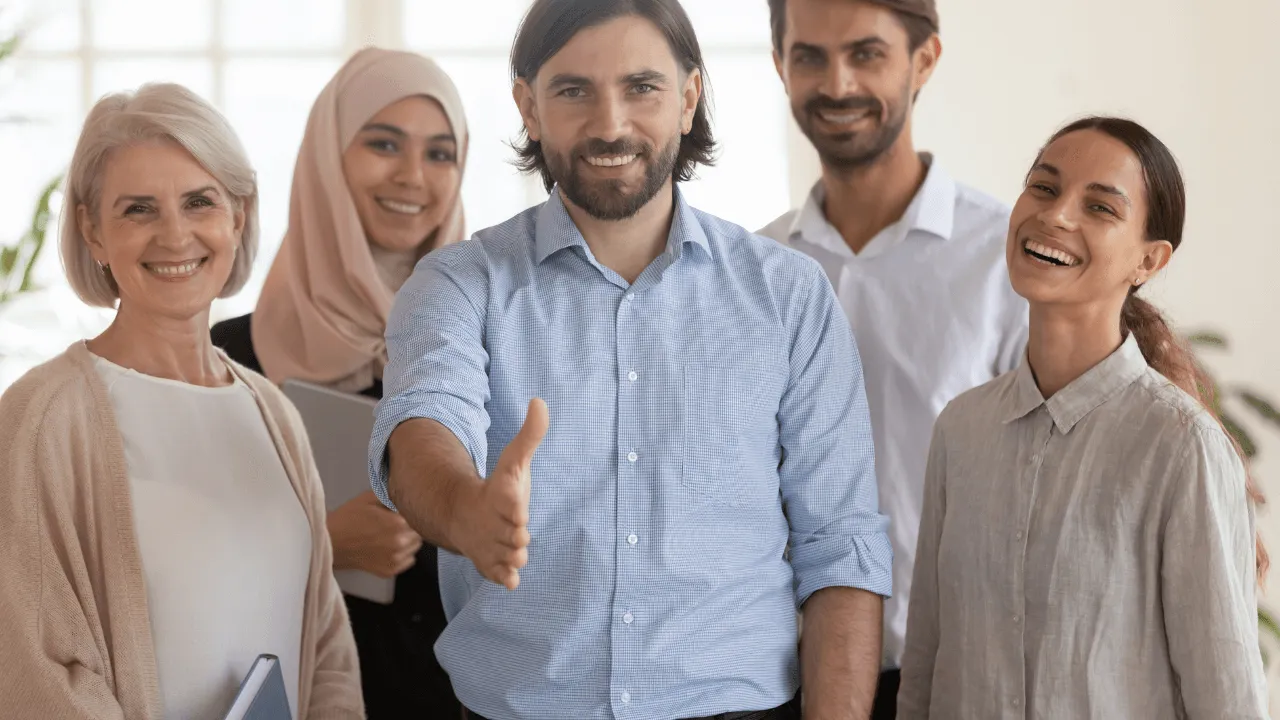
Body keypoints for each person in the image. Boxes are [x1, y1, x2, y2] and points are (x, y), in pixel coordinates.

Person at [366, 0, 894, 718]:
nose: (610, 125)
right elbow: (422, 426)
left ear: (688, 98)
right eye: (573, 91)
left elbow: (841, 547)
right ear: (529, 105)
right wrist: (465, 510)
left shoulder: (789, 295)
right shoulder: (458, 284)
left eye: (641, 87)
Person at [0, 83, 363, 719]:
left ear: (237, 217)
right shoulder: (42, 419)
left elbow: (326, 640)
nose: (175, 236)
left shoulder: (273, 414)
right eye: (138, 209)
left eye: (200, 202)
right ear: (92, 229)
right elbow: (33, 669)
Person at [897, 116, 1271, 718]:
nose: (1057, 215)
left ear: (1148, 260)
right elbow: (925, 670)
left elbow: (1228, 700)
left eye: (1100, 207)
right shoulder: (960, 430)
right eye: (1043, 188)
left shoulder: (1180, 446)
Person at [758, 1, 1028, 714]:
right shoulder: (751, 272)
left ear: (925, 60)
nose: (837, 83)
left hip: (963, 678)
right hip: (782, 683)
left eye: (866, 54)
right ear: (780, 64)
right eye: (809, 55)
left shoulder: (1007, 260)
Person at [211, 47, 468, 717]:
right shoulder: (225, 358)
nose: (413, 175)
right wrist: (318, 546)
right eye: (384, 143)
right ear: (329, 158)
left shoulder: (484, 346)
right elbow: (165, 568)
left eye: (441, 154)